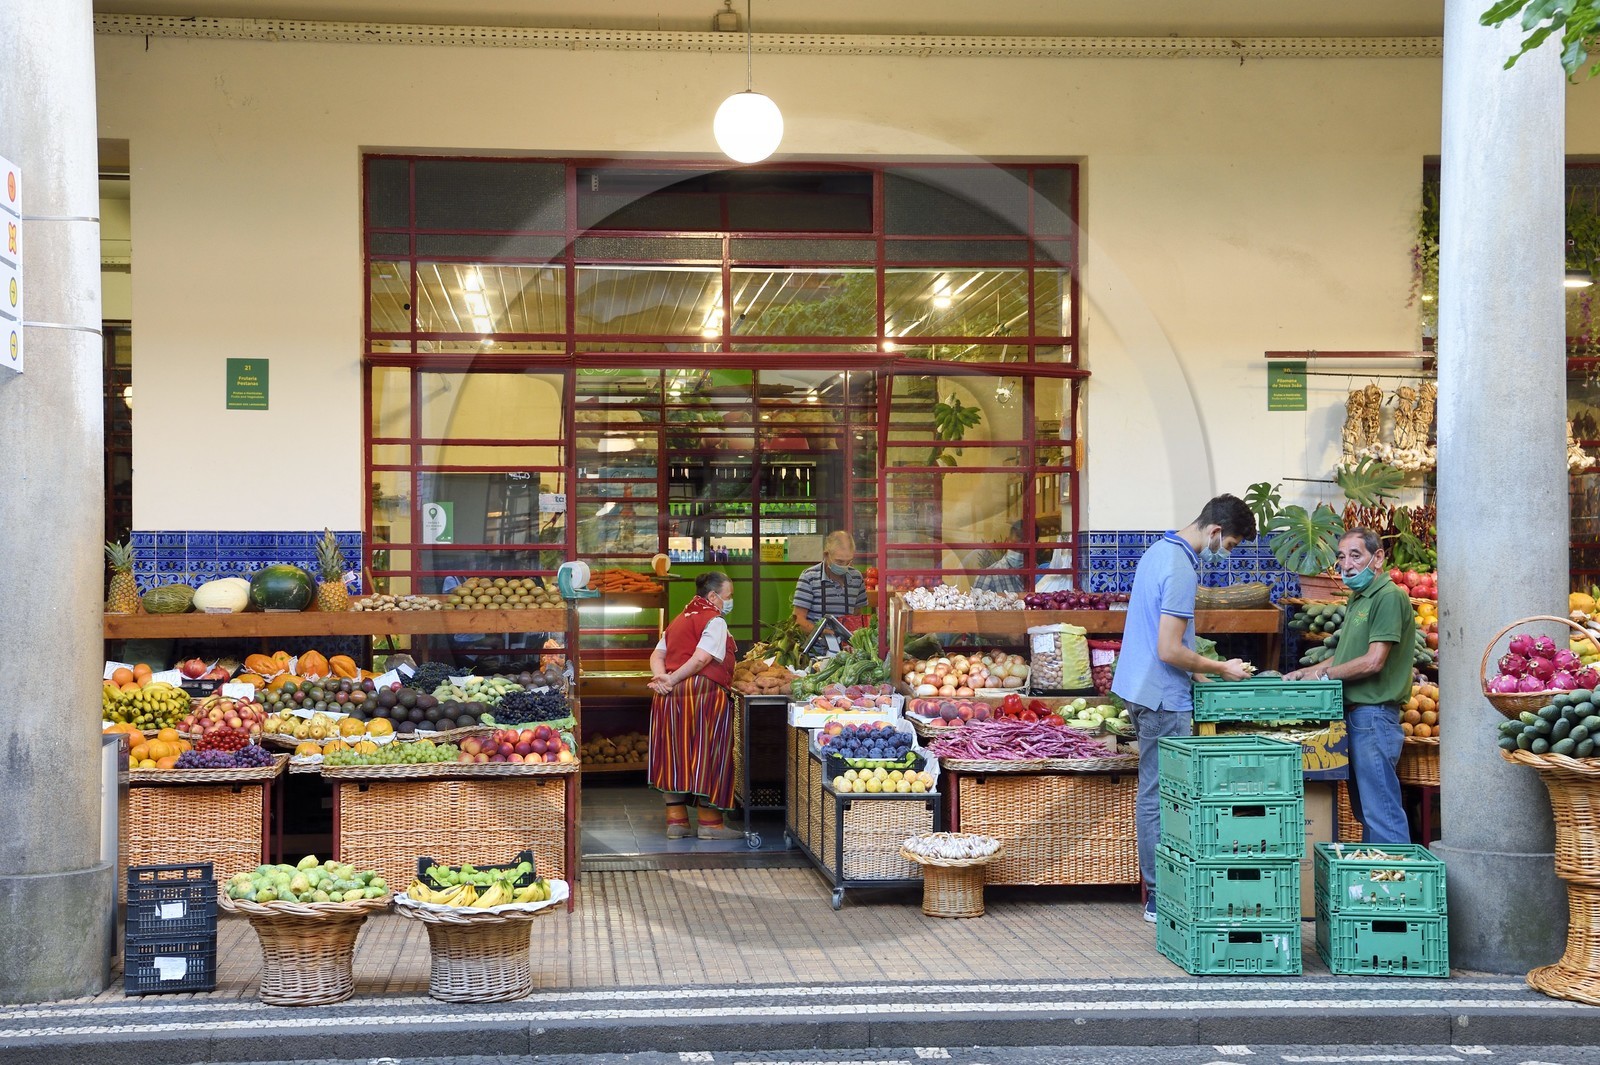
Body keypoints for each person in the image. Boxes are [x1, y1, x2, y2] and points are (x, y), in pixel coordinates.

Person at [1111, 494, 1256, 924]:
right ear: (1214, 532)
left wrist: (1200, 675)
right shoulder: (1180, 569)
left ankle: (1160, 889)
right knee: (1162, 796)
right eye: (1228, 545)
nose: (1224, 553)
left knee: (1156, 792)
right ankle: (1161, 895)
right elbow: (1170, 648)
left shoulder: (1159, 550)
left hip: (1139, 689)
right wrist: (1221, 666)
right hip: (1161, 698)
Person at [1285, 528, 1414, 845]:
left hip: (1374, 718)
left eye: (1356, 555)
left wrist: (1324, 677)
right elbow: (1345, 659)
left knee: (1381, 812)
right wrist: (1303, 674)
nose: (1347, 564)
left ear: (1378, 557)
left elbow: (1373, 661)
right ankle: (1378, 882)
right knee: (1366, 812)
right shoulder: (1359, 598)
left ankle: (1396, 888)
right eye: (1341, 557)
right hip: (1356, 718)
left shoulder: (1388, 597)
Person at [647, 571, 744, 840]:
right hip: (703, 694)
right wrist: (672, 677)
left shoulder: (679, 619)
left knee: (672, 755)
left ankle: (676, 822)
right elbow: (701, 659)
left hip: (668, 697)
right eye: (729, 595)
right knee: (709, 753)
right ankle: (710, 825)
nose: (730, 600)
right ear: (713, 596)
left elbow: (658, 654)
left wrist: (662, 678)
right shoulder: (714, 620)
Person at [792, 529, 867, 634]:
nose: (844, 566)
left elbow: (857, 614)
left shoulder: (856, 578)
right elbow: (798, 620)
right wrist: (828, 633)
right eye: (839, 561)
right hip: (816, 648)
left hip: (846, 648)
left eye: (849, 561)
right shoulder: (809, 577)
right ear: (826, 555)